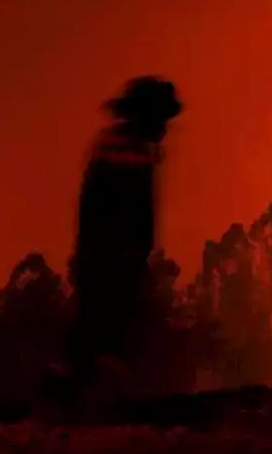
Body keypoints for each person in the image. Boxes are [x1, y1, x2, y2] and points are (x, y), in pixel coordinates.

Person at [57, 75, 182, 415]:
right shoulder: (125, 149)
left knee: (100, 329)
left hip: (107, 253)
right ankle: (87, 405)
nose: (166, 128)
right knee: (106, 330)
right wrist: (128, 252)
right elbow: (125, 208)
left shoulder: (122, 145)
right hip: (111, 255)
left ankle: (81, 401)